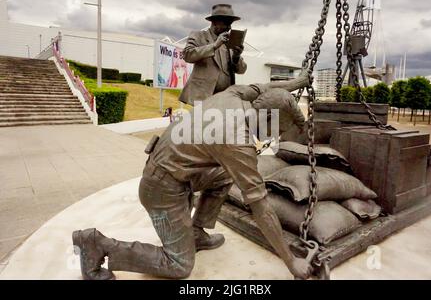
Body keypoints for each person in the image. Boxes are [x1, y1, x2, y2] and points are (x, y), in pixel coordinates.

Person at [72, 71, 313, 280]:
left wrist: (299, 82)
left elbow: (271, 88)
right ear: (268, 116)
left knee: (224, 175)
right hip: (161, 189)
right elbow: (261, 208)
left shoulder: (235, 94)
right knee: (179, 265)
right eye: (277, 130)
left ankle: (196, 233)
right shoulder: (237, 140)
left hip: (169, 171)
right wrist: (291, 261)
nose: (273, 136)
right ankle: (97, 245)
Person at [179, 4, 247, 105]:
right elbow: (187, 55)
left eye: (230, 24)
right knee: (202, 121)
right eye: (226, 23)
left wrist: (236, 57)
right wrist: (214, 46)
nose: (229, 27)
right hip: (202, 97)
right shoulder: (199, 36)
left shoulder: (230, 42)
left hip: (224, 99)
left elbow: (242, 70)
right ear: (214, 22)